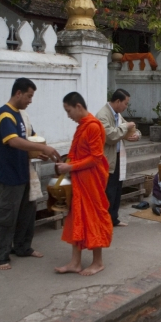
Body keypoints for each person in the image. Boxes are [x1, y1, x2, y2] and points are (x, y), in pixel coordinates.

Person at [0, 78, 61, 270]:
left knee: (26, 215)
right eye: (29, 96)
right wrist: (43, 147)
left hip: (25, 173)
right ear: (18, 93)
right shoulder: (5, 115)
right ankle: (0, 256)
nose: (30, 100)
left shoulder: (21, 116)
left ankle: (22, 247)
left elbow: (28, 140)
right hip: (9, 175)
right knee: (6, 217)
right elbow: (13, 141)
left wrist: (39, 152)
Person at [54, 92, 113, 276]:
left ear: (78, 106)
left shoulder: (93, 126)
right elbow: (80, 153)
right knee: (76, 218)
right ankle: (75, 262)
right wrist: (66, 163)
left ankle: (98, 262)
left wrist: (70, 167)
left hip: (91, 181)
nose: (68, 115)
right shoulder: (82, 126)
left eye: (68, 110)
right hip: (79, 179)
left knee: (93, 217)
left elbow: (95, 158)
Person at [96, 89, 141, 227]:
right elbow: (110, 136)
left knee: (116, 189)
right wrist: (125, 128)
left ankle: (113, 218)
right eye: (125, 104)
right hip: (107, 158)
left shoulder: (118, 115)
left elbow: (129, 129)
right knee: (108, 191)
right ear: (117, 101)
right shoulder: (102, 115)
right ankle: (104, 221)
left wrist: (136, 135)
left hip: (117, 156)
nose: (126, 107)